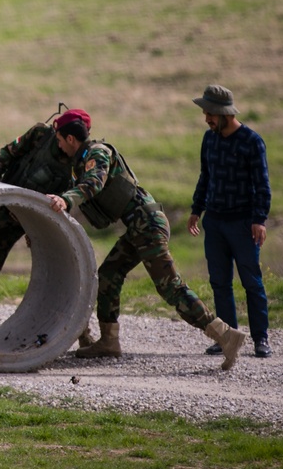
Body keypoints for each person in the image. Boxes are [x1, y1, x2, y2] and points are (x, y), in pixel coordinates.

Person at [45, 109, 247, 371]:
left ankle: (226, 336)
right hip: (138, 226)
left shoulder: (97, 153)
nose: (59, 145)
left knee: (170, 287)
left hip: (148, 224)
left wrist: (67, 200)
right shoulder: (81, 159)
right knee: (108, 275)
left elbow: (94, 182)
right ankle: (109, 341)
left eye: (60, 139)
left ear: (71, 139)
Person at [0, 110, 94, 349]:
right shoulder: (40, 136)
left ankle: (82, 333)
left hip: (46, 218)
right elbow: (8, 152)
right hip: (9, 210)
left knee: (66, 275)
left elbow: (84, 190)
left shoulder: (86, 158)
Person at [187, 85, 273, 359]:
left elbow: (262, 185)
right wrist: (196, 210)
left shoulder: (252, 141)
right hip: (215, 222)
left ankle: (261, 339)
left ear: (225, 114)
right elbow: (205, 177)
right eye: (205, 113)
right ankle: (227, 337)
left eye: (210, 113)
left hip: (243, 223)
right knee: (219, 282)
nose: (206, 118)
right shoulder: (209, 139)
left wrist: (259, 219)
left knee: (251, 282)